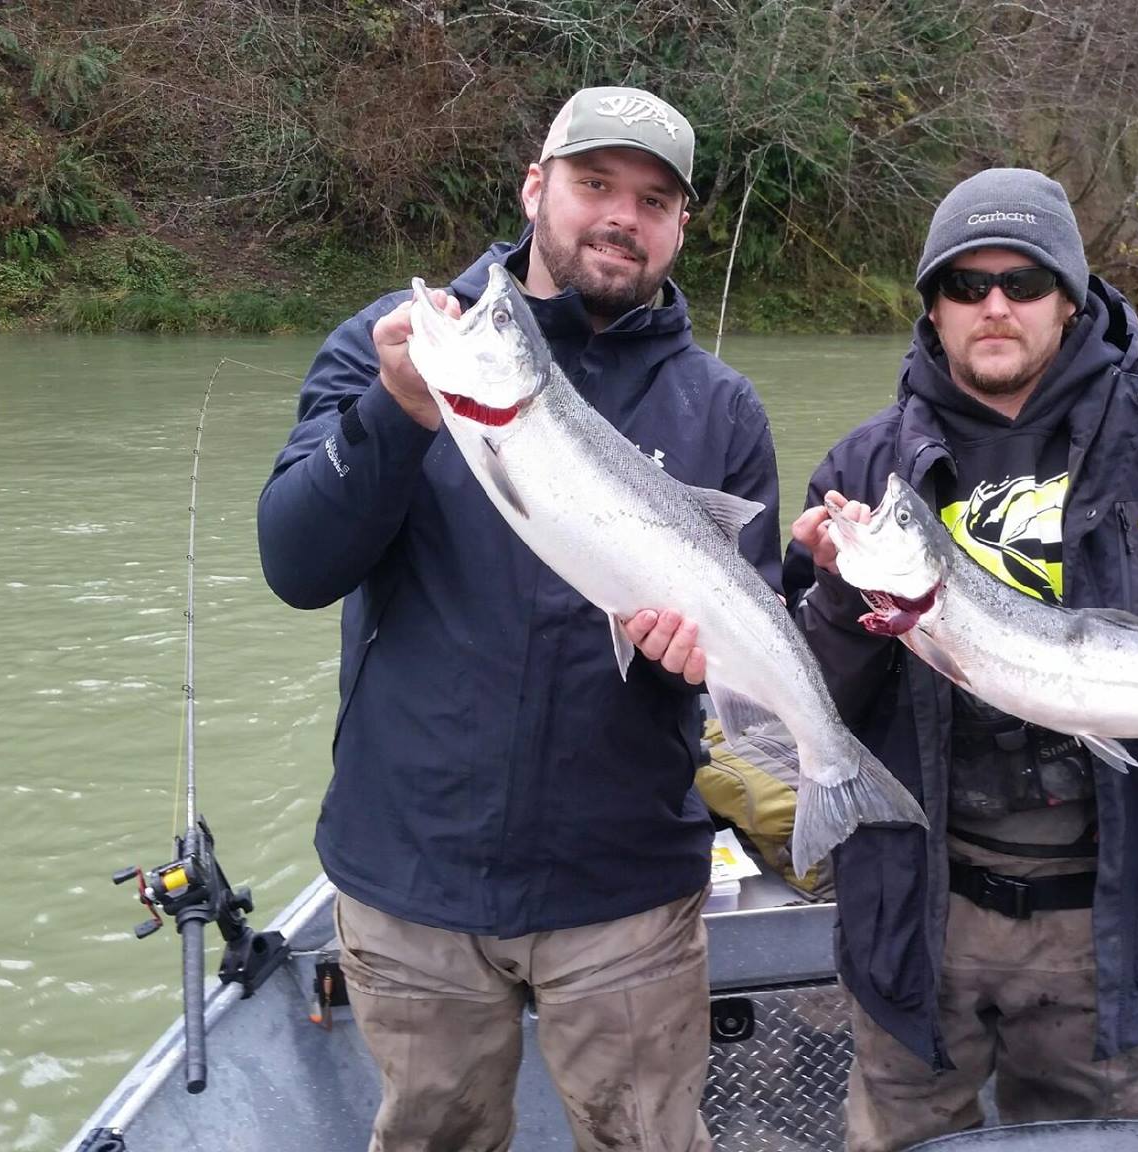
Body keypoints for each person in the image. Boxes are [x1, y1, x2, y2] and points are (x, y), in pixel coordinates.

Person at [784, 168, 1138, 1150]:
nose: (993, 305)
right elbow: (810, 688)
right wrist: (841, 591)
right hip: (920, 910)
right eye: (965, 285)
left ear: (1069, 297)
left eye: (1022, 281)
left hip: (1109, 912)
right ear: (932, 307)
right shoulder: (861, 469)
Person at [257, 86, 778, 1152]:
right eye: (594, 184)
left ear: (681, 227)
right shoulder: (397, 347)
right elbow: (295, 563)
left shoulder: (720, 408)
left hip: (624, 891)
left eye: (653, 199)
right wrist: (394, 415)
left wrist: (690, 661)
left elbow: (744, 638)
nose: (620, 217)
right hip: (410, 881)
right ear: (535, 187)